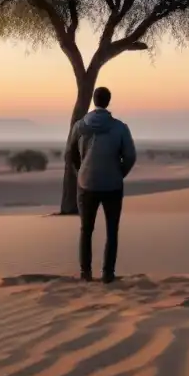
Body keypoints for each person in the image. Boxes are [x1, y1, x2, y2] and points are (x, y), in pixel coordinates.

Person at [66, 86, 137, 283]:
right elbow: (130, 156)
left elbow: (70, 152)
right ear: (108, 101)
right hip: (112, 185)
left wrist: (80, 171)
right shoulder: (120, 128)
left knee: (86, 230)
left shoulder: (80, 126)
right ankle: (107, 275)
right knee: (112, 230)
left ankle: (85, 273)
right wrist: (118, 173)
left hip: (86, 184)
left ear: (94, 101)